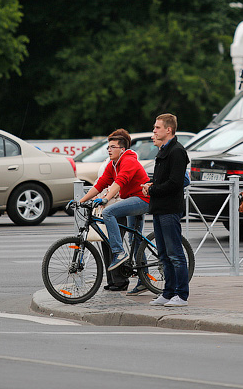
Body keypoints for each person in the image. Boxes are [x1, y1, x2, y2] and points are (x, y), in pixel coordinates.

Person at [75, 129, 150, 293]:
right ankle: (145, 279)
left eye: (112, 147)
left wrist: (106, 198)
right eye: (108, 147)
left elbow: (120, 182)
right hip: (131, 200)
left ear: (122, 149)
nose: (109, 150)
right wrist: (80, 201)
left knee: (109, 212)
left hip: (142, 199)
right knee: (135, 240)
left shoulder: (128, 160)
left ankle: (118, 252)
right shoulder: (113, 164)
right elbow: (100, 184)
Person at [142, 113, 190, 307]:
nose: (154, 131)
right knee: (163, 254)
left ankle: (182, 295)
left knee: (175, 254)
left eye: (157, 127)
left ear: (168, 130)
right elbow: (164, 180)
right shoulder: (163, 150)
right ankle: (168, 292)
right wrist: (151, 184)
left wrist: (152, 189)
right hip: (159, 208)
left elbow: (175, 182)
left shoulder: (177, 151)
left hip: (170, 209)